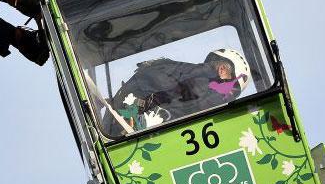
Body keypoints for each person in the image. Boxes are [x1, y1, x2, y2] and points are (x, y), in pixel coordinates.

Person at [108, 48, 252, 131]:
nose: (228, 93)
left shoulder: (187, 75)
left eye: (233, 91)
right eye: (230, 85)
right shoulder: (200, 82)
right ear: (221, 69)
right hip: (129, 118)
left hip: (122, 118)